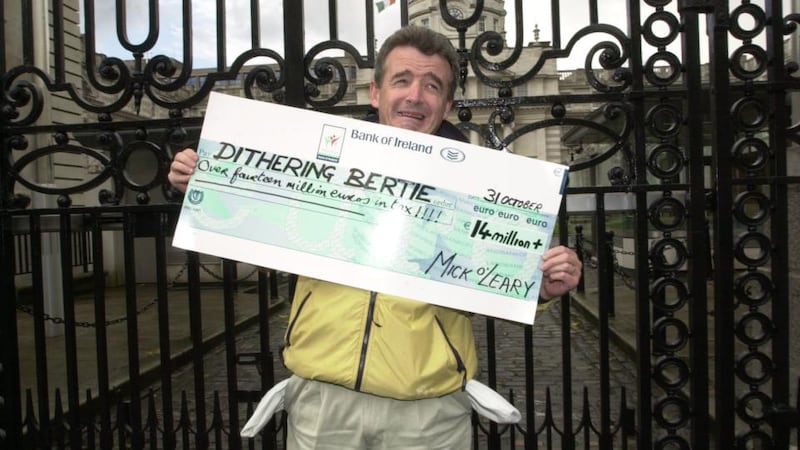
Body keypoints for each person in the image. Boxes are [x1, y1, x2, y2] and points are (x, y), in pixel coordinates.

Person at [169, 25, 582, 450]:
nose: (415, 96)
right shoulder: (320, 161)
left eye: (432, 85)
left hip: (428, 417)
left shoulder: (483, 187)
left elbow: (497, 276)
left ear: (447, 104)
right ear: (376, 93)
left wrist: (541, 287)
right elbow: (256, 226)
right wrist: (207, 183)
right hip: (322, 407)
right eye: (402, 80)